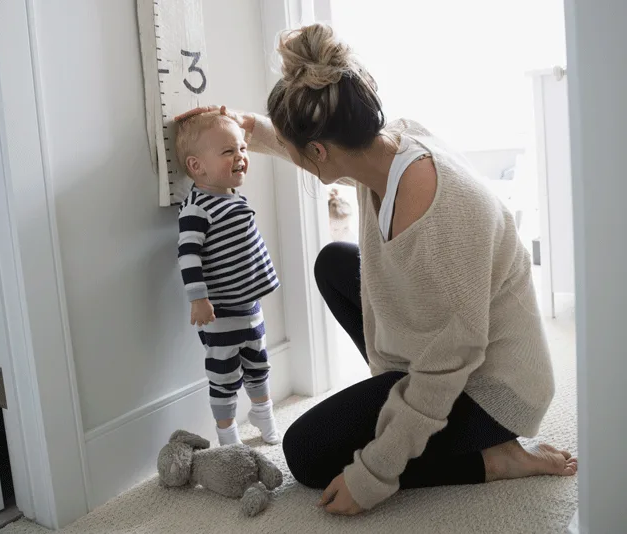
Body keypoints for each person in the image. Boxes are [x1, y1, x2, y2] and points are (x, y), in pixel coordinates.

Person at [185, 23, 576, 515]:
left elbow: (449, 362)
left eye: (298, 150)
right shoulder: (385, 148)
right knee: (335, 264)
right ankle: (401, 402)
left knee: (306, 456)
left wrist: (374, 472)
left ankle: (494, 459)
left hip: (493, 387)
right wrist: (242, 126)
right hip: (449, 350)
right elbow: (304, 142)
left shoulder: (446, 212)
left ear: (321, 153)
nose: (294, 157)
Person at [174, 111, 281, 446]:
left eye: (243, 150)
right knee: (223, 375)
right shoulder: (197, 209)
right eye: (228, 152)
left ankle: (263, 412)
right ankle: (227, 434)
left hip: (249, 306)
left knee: (259, 363)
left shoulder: (229, 196)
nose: (241, 157)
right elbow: (188, 256)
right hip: (219, 313)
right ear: (197, 166)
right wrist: (198, 299)